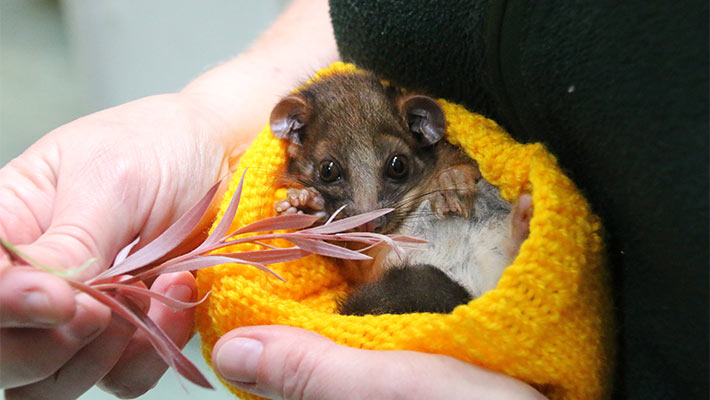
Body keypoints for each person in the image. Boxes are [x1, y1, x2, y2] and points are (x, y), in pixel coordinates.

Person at [1, 0, 706, 398]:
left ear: (425, 133)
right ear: (296, 141)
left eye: (396, 170)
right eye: (334, 178)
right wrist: (207, 122)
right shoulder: (317, 160)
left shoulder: (443, 155)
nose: (370, 204)